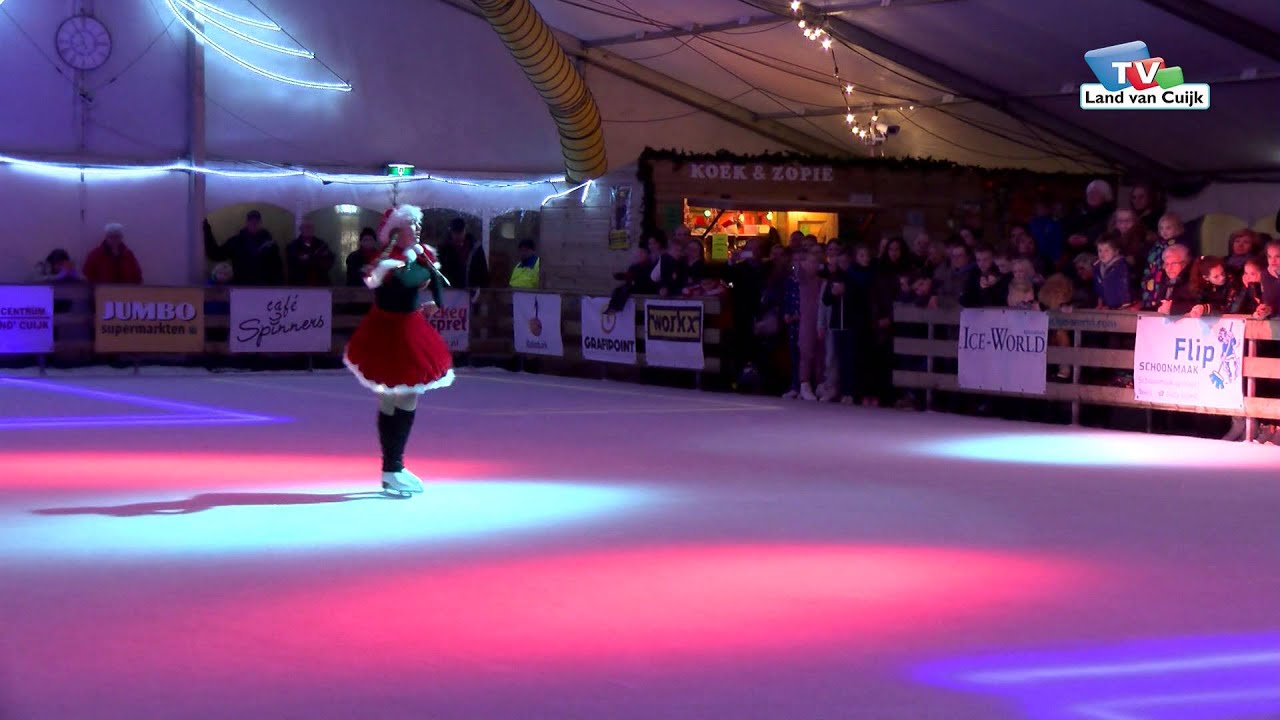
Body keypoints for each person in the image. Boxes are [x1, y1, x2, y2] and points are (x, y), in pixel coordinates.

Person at [343, 206, 455, 497]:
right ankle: (393, 466)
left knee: (400, 397)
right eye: (412, 225)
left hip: (409, 328)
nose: (418, 229)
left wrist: (437, 303)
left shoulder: (419, 254)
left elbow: (436, 282)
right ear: (395, 231)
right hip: (389, 333)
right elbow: (407, 280)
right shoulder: (387, 263)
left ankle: (393, 468)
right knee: (397, 398)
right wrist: (420, 266)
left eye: (419, 224)